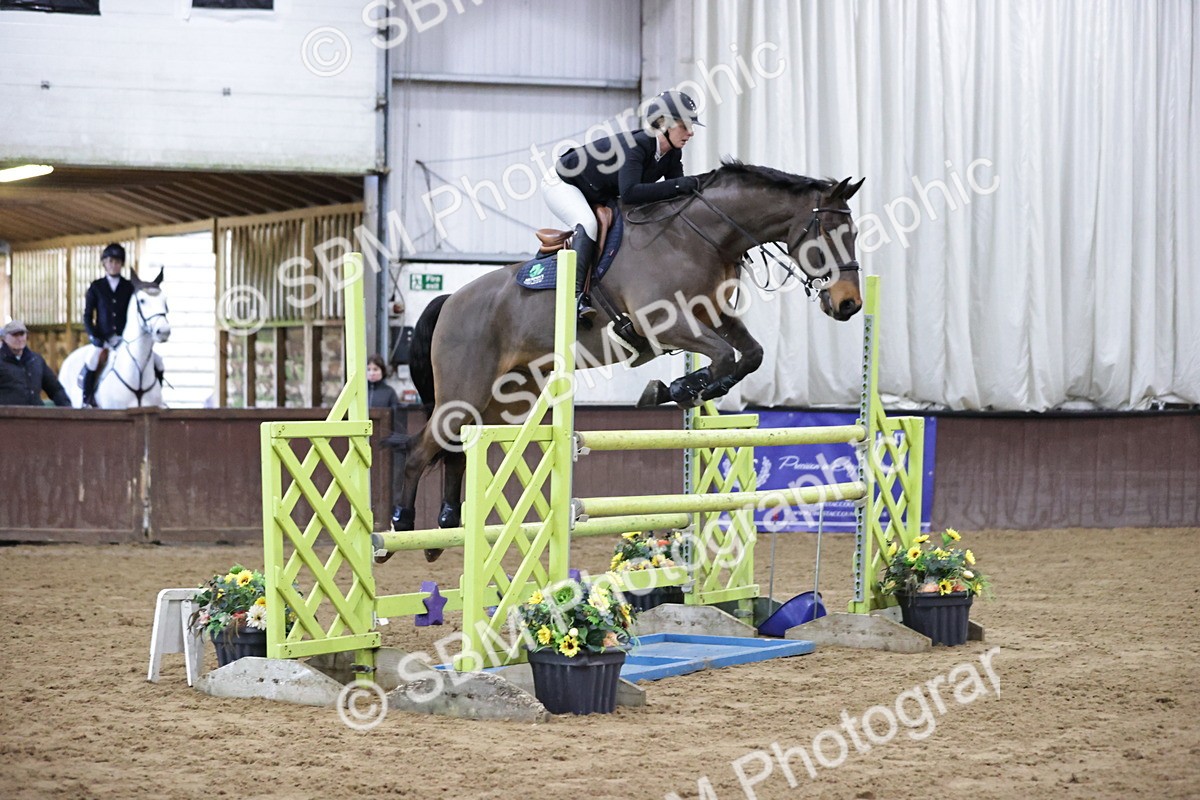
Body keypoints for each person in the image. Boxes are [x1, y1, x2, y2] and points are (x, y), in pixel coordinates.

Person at [543, 90, 704, 321]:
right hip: (563, 183)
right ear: (663, 124)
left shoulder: (671, 153)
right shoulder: (636, 146)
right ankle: (576, 297)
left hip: (598, 189)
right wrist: (681, 186)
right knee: (588, 223)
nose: (691, 132)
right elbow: (630, 193)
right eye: (684, 125)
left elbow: (676, 197)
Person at [80, 243, 163, 407]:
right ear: (104, 263)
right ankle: (87, 399)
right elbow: (88, 316)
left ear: (121, 264)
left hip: (126, 340)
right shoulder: (96, 287)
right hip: (103, 340)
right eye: (110, 261)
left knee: (158, 361)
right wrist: (94, 337)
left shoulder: (129, 287)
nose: (113, 265)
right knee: (92, 359)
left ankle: (158, 397)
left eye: (117, 262)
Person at [0, 320, 71, 406]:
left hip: (35, 415)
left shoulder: (36, 360)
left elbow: (55, 389)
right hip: (7, 417)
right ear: (4, 338)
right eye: (14, 335)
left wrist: (68, 409)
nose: (19, 338)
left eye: (22, 334)